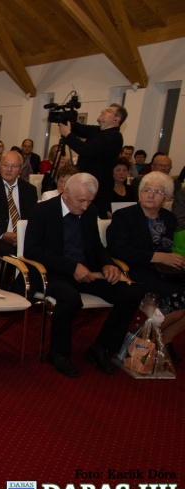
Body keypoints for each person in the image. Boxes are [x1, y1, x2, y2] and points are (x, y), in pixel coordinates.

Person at [24, 173, 144, 378]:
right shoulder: (42, 211)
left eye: (90, 201)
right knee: (70, 298)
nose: (86, 206)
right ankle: (59, 353)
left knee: (132, 293)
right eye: (81, 201)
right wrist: (71, 267)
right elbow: (32, 251)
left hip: (87, 272)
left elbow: (96, 246)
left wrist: (108, 264)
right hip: (53, 273)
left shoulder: (90, 211)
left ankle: (102, 347)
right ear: (66, 193)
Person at [107, 172, 185, 362]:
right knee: (178, 298)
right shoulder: (124, 216)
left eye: (158, 192)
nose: (151, 195)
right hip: (135, 270)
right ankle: (136, 341)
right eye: (147, 190)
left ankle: (165, 340)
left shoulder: (169, 218)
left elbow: (172, 248)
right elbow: (118, 250)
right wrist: (156, 257)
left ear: (165, 197)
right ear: (139, 193)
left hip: (165, 271)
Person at [58, 104, 126, 217]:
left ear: (116, 119)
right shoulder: (98, 131)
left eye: (108, 111)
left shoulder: (114, 137)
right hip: (86, 183)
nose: (103, 111)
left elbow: (86, 150)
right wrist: (65, 118)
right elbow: (79, 128)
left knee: (90, 219)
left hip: (97, 190)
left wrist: (67, 135)